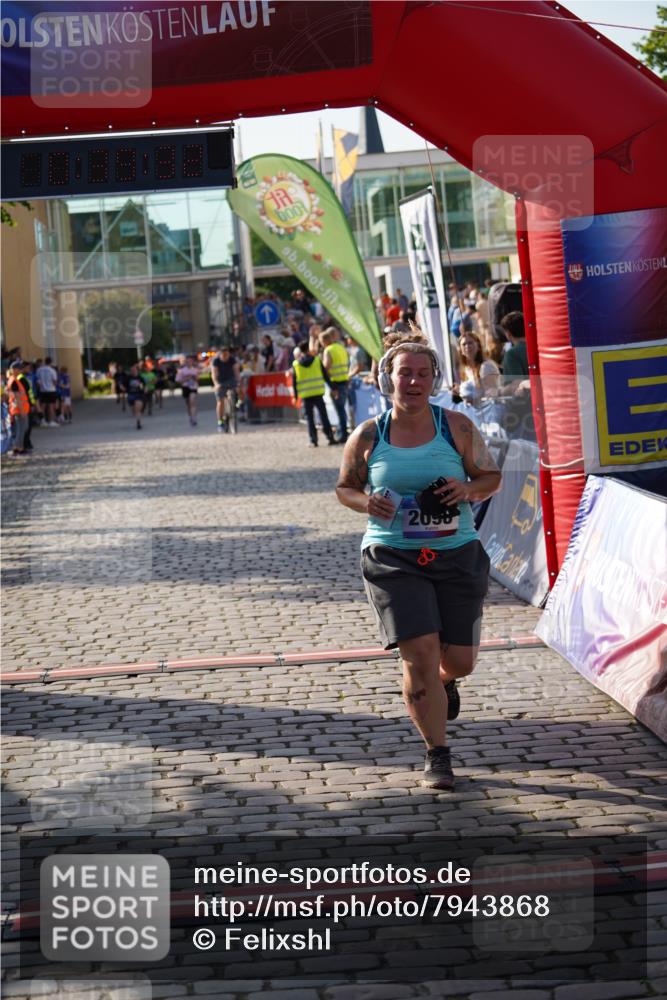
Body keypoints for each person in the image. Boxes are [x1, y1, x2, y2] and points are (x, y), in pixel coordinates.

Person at [335, 331, 501, 790]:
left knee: (461, 661)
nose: (412, 381)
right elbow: (345, 487)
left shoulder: (458, 428)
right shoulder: (369, 434)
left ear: (433, 380)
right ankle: (437, 752)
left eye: (422, 374)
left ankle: (443, 682)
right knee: (419, 656)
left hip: (456, 553)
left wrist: (468, 489)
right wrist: (366, 502)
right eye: (404, 372)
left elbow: (491, 476)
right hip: (393, 557)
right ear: (386, 377)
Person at [292, 339, 336, 448]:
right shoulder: (316, 360)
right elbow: (325, 375)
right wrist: (332, 388)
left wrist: (296, 396)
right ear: (308, 349)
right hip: (318, 393)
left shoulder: (296, 364)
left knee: (310, 419)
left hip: (306, 395)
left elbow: (294, 381)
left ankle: (313, 440)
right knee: (323, 416)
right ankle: (330, 437)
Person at [319, 327, 350, 443]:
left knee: (340, 410)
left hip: (335, 383)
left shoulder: (328, 350)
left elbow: (326, 366)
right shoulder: (341, 348)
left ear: (325, 341)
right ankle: (343, 432)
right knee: (342, 409)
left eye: (321, 342)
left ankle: (343, 434)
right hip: (344, 381)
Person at [453, 331, 500, 402]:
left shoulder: (486, 366)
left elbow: (492, 395)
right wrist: (459, 391)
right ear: (461, 350)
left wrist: (468, 397)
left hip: (490, 410)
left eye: (470, 343)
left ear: (478, 346)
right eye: (464, 344)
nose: (467, 346)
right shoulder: (465, 369)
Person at [211, 345, 240, 433]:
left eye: (227, 354)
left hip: (231, 380)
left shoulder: (232, 359)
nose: (226, 356)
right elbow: (214, 373)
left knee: (240, 390)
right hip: (221, 382)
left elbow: (236, 371)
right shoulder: (216, 361)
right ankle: (220, 422)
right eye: (224, 355)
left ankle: (237, 404)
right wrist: (216, 384)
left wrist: (238, 381)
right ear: (220, 354)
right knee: (220, 401)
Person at [6, 362, 31, 456]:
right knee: (21, 429)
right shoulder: (13, 381)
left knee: (23, 428)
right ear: (14, 370)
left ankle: (19, 448)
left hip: (20, 409)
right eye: (19, 369)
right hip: (19, 410)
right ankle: (17, 449)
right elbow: (17, 398)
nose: (21, 370)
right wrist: (22, 411)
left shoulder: (15, 380)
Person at [175, 354, 201, 426]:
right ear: (186, 362)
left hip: (193, 387)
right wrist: (186, 378)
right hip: (185, 387)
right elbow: (178, 380)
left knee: (192, 402)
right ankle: (190, 417)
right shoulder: (181, 371)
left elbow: (198, 379)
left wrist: (195, 377)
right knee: (188, 405)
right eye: (188, 361)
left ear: (192, 362)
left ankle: (194, 418)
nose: (189, 362)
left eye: (191, 361)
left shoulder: (195, 370)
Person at [36, 356, 59, 427]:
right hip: (51, 390)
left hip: (43, 390)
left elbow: (37, 381)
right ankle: (51, 421)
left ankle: (43, 421)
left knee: (43, 405)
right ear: (51, 362)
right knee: (51, 406)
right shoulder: (52, 370)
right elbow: (55, 381)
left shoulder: (39, 370)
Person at [126, 364, 146, 430]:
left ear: (137, 370)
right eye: (132, 370)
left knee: (138, 409)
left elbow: (144, 385)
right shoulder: (128, 378)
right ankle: (137, 418)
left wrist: (144, 389)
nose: (133, 371)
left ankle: (138, 423)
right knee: (134, 410)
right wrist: (121, 387)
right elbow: (123, 384)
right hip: (131, 395)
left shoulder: (140, 378)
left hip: (138, 395)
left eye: (134, 370)